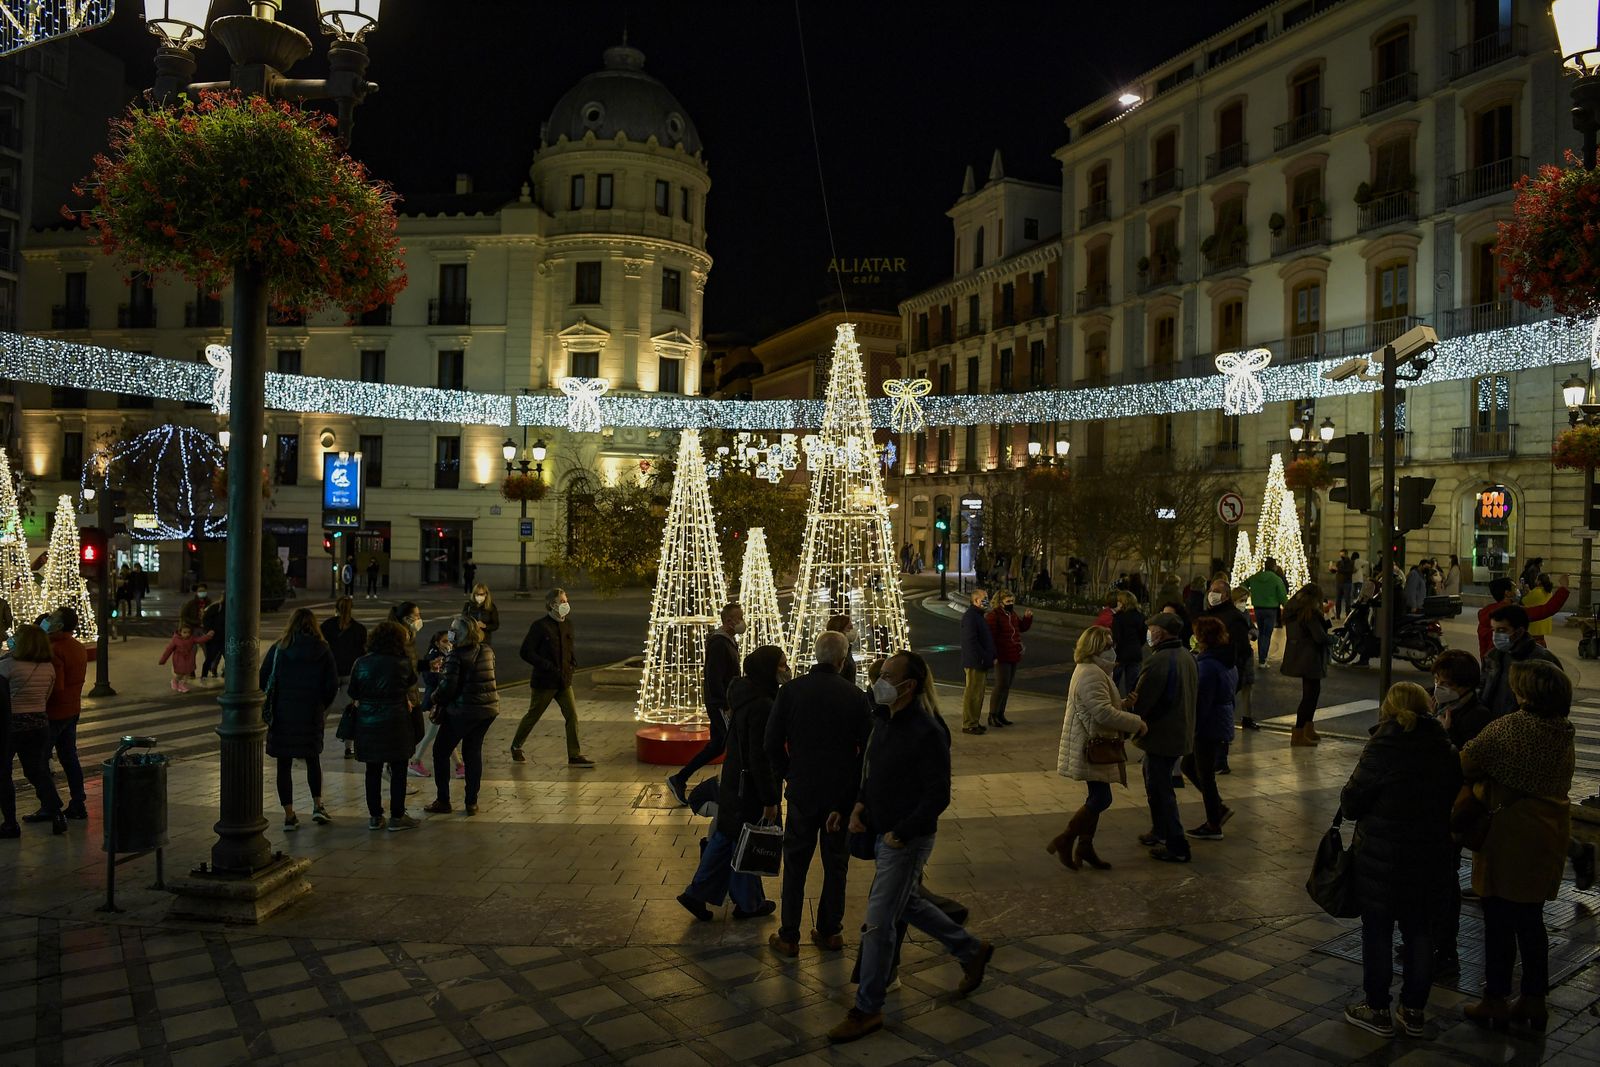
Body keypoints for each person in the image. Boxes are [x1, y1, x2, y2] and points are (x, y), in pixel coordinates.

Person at [827, 651, 994, 1044]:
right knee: (908, 903)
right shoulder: (885, 719)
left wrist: (901, 833)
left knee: (879, 924)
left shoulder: (928, 729)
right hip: (885, 830)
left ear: (909, 685)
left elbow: (938, 795)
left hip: (906, 840)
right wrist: (859, 805)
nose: (878, 681)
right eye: (880, 674)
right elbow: (875, 771)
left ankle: (867, 1008)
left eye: (887, 675)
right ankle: (971, 950)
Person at [1339, 682, 1462, 1039]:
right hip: (1430, 855)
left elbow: (1351, 802)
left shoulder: (1384, 744)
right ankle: (1413, 1010)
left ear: (1389, 708)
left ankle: (1377, 1009)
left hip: (1382, 858)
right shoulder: (1443, 746)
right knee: (1420, 931)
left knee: (1377, 930)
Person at [1461, 661, 1577, 1033]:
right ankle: (1533, 999)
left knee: (1498, 922)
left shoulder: (1509, 728)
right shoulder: (1563, 732)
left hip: (1508, 838)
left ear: (1526, 694)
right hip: (1547, 835)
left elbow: (1468, 761)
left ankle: (1494, 999)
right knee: (1531, 921)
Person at [764, 631, 872, 957]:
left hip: (803, 791)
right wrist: (852, 792)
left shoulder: (792, 691)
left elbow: (771, 742)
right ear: (842, 660)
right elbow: (866, 752)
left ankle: (789, 935)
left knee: (796, 863)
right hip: (839, 795)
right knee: (836, 864)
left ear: (815, 654)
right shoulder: (854, 696)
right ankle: (830, 930)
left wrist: (788, 772)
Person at [677, 645, 785, 924]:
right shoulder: (762, 704)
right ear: (768, 670)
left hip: (734, 781)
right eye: (781, 665)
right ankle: (746, 902)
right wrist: (770, 798)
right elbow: (759, 757)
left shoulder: (744, 695)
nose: (785, 669)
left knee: (729, 837)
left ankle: (704, 894)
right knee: (746, 840)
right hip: (747, 787)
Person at [1052, 625, 1147, 870]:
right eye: (1107, 646)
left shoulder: (1093, 671)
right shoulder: (1091, 673)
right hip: (1092, 745)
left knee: (1098, 796)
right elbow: (1102, 713)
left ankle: (1084, 846)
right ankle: (1066, 839)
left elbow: (1100, 705)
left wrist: (1124, 703)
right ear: (1095, 648)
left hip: (1093, 743)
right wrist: (1136, 723)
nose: (1113, 650)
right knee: (1101, 798)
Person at [1430, 649, 1493, 975]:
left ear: (1464, 685)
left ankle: (1445, 948)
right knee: (1434, 878)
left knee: (1445, 880)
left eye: (1445, 682)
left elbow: (1467, 768)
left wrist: (1443, 735)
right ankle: (1431, 940)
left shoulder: (1478, 717)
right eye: (1437, 680)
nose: (1438, 686)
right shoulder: (1444, 707)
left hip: (1454, 810)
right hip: (1435, 806)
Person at [260, 608, 338, 830]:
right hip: (310, 712)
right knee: (312, 759)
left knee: (283, 765)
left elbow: (262, 678)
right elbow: (331, 685)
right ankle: (317, 805)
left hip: (282, 714)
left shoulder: (279, 648)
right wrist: (321, 704)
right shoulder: (322, 649)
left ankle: (289, 815)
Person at [1130, 613, 1197, 863]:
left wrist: (1134, 722)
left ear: (1162, 632)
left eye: (1152, 628)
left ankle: (1177, 843)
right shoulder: (1185, 656)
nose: (1149, 632)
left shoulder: (1160, 660)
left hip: (1162, 734)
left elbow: (1145, 698)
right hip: (1177, 731)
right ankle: (1159, 831)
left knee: (1161, 789)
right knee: (1154, 782)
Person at [348, 621, 422, 832]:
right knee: (399, 769)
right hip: (396, 720)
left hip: (368, 722)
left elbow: (353, 692)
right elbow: (410, 684)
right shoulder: (403, 663)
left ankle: (375, 816)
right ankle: (397, 816)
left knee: (373, 769)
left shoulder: (361, 663)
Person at [423, 614, 499, 816]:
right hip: (486, 710)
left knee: (440, 751)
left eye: (454, 631)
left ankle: (443, 799)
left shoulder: (455, 656)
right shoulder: (487, 650)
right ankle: (471, 802)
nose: (451, 634)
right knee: (473, 753)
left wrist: (433, 698)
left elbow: (447, 688)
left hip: (462, 711)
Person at [667, 602, 743, 803]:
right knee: (731, 744)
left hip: (722, 703)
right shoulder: (720, 643)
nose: (743, 622)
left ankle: (680, 778)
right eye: (740, 617)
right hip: (720, 704)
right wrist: (725, 705)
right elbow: (714, 677)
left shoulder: (728, 641)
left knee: (718, 746)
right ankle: (726, 787)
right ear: (729, 621)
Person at [511, 587, 593, 768]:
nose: (566, 604)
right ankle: (516, 746)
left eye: (566, 600)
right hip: (544, 682)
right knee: (533, 715)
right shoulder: (540, 626)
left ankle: (574, 754)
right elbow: (526, 652)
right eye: (562, 602)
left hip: (564, 680)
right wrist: (546, 665)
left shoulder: (567, 624)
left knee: (572, 715)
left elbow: (569, 648)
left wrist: (572, 664)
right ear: (552, 605)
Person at [1, 624, 66, 835]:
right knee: (37, 770)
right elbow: (46, 696)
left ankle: (10, 822)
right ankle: (57, 813)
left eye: (17, 637)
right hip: (39, 725)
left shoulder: (7, 666)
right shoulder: (48, 667)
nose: (12, 639)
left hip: (10, 726)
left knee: (3, 773)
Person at [1183, 616, 1236, 840]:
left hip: (1209, 725)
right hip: (1221, 719)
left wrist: (1192, 728)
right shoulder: (1226, 659)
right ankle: (1217, 810)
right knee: (1190, 765)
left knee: (1204, 773)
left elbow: (1202, 702)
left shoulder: (1207, 665)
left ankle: (1214, 823)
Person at [44, 608, 89, 821]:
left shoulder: (55, 649)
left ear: (60, 625)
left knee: (40, 760)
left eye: (52, 617)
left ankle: (49, 805)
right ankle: (78, 801)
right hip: (72, 709)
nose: (48, 619)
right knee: (69, 757)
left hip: (54, 712)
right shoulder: (77, 646)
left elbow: (56, 686)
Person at [1481, 604, 1561, 718]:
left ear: (1519, 632)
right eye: (1494, 630)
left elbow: (1555, 704)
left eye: (1502, 630)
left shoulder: (1542, 661)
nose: (1496, 635)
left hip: (1524, 730)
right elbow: (1482, 689)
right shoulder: (1492, 656)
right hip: (1493, 727)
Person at [1201, 578, 1255, 736]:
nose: (1212, 595)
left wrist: (1233, 671)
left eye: (1217, 592)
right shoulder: (1208, 614)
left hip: (1225, 670)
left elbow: (1242, 649)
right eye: (1211, 591)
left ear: (1226, 595)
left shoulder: (1234, 618)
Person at [1281, 583, 1331, 747]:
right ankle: (1299, 732)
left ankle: (1307, 728)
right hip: (1310, 657)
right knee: (1310, 696)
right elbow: (1319, 637)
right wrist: (1332, 639)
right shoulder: (1309, 613)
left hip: (1300, 655)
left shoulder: (1294, 610)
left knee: (1311, 694)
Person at [1476, 576, 1568, 658]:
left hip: (1491, 666)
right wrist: (1564, 588)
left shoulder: (1486, 613)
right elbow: (1547, 610)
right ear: (1507, 593)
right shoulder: (1512, 612)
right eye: (1514, 588)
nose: (1517, 590)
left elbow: (1483, 649)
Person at [321, 597, 368, 759]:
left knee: (323, 711)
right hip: (350, 673)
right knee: (349, 712)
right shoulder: (359, 629)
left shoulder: (326, 626)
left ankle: (316, 743)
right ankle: (349, 748)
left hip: (330, 672)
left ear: (336, 608)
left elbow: (320, 649)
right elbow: (363, 653)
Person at [408, 629, 452, 779]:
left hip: (443, 700)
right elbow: (430, 681)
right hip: (435, 700)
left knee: (442, 733)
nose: (448, 644)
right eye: (444, 641)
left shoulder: (447, 655)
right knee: (435, 733)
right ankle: (415, 761)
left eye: (449, 641)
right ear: (437, 643)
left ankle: (460, 766)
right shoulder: (433, 657)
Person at [985, 592, 1032, 728]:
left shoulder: (1012, 614)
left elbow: (1020, 627)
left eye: (1012, 601)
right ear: (1000, 602)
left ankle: (1000, 714)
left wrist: (1027, 619)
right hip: (1002, 655)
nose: (1011, 603)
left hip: (1013, 654)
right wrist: (993, 655)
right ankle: (992, 714)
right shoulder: (994, 616)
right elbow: (991, 637)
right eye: (1008, 601)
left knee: (1007, 686)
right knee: (1000, 685)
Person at [958, 587, 995, 736]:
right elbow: (971, 641)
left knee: (978, 693)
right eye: (984, 598)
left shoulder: (978, 616)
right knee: (973, 693)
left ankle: (974, 721)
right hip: (975, 661)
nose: (987, 600)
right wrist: (982, 656)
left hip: (980, 660)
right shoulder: (971, 617)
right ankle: (969, 724)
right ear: (976, 600)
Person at [1242, 559, 1288, 666]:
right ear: (1274, 567)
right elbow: (1282, 596)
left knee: (1261, 632)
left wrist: (1249, 594)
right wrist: (1287, 607)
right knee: (1266, 634)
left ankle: (1261, 657)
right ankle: (1263, 659)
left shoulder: (1255, 577)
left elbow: (1243, 585)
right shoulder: (1276, 579)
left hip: (1258, 607)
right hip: (1271, 609)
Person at [1109, 590, 1145, 698]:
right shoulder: (1139, 616)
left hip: (1120, 653)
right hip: (1135, 653)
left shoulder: (1119, 618)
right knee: (1132, 685)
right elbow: (1143, 636)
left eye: (1119, 601)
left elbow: (1117, 637)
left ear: (1123, 603)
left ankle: (1113, 704)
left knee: (1114, 683)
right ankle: (1131, 708)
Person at [157, 623, 212, 692]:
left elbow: (200, 640)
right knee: (180, 673)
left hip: (189, 659)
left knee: (187, 673)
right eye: (184, 632)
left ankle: (182, 685)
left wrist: (208, 636)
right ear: (180, 632)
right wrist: (163, 660)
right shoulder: (175, 639)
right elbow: (169, 650)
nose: (187, 634)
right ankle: (174, 681)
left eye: (188, 632)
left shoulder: (192, 639)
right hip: (179, 659)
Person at [1523, 574, 1557, 647]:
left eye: (1536, 579)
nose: (1535, 580)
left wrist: (1525, 594)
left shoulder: (1536, 591)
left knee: (1534, 641)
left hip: (1536, 621)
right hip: (1545, 620)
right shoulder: (1548, 591)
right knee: (1541, 639)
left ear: (1539, 581)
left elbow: (1525, 601)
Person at [825, 613, 858, 685]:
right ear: (839, 630)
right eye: (849, 627)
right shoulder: (835, 653)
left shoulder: (847, 650)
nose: (853, 630)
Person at [199, 593, 226, 679]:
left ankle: (226, 673)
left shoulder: (232, 607)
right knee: (210, 657)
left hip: (225, 638)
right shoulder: (217, 606)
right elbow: (205, 618)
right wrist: (210, 629)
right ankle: (204, 675)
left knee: (229, 658)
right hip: (215, 638)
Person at [1334, 550, 1355, 617]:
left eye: (1342, 555)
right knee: (1338, 600)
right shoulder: (1339, 562)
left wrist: (1338, 569)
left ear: (1346, 555)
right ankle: (1338, 615)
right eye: (1340, 555)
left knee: (1347, 600)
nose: (1341, 557)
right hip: (1339, 583)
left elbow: (1348, 571)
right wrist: (1332, 569)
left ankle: (1347, 615)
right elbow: (1336, 571)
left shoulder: (1350, 562)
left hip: (1347, 583)